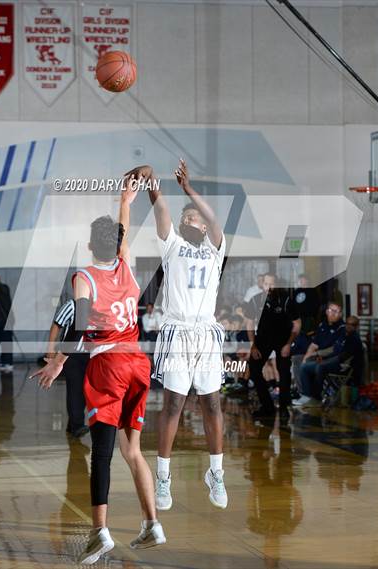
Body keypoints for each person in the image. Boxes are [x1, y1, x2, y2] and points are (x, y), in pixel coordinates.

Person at [31, 176, 166, 564]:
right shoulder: (125, 265)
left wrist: (58, 360)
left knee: (102, 454)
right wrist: (127, 199)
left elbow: (81, 325)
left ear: (90, 246)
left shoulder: (84, 277)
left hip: (108, 365)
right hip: (138, 362)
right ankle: (152, 523)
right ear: (116, 245)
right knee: (134, 451)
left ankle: (99, 533)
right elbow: (123, 231)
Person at [142, 158, 228, 511]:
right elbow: (160, 209)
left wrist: (189, 189)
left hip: (206, 332)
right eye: (186, 217)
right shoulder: (172, 246)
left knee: (211, 402)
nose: (189, 219)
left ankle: (216, 474)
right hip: (177, 331)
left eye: (194, 216)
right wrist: (152, 183)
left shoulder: (215, 250)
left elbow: (216, 220)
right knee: (174, 403)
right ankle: (163, 478)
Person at [244, 273, 301, 421]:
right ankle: (267, 407)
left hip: (283, 339)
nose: (269, 287)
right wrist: (253, 346)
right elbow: (249, 324)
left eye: (272, 284)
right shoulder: (255, 300)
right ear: (262, 285)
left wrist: (288, 344)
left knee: (284, 374)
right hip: (263, 339)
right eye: (266, 284)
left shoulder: (287, 300)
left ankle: (283, 408)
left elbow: (297, 324)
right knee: (254, 370)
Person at [292, 314, 362, 407]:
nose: (348, 326)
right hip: (333, 361)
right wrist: (319, 355)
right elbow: (333, 350)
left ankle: (316, 398)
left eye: (352, 324)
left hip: (342, 366)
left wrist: (326, 361)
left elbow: (343, 357)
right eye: (347, 323)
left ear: (357, 326)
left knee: (320, 367)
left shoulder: (354, 339)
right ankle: (306, 395)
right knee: (304, 366)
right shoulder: (343, 336)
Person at [46, 299, 89, 438]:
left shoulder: (100, 304)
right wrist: (51, 348)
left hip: (91, 356)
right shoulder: (72, 305)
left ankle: (72, 425)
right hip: (71, 355)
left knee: (84, 391)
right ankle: (77, 426)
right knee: (75, 390)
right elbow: (56, 326)